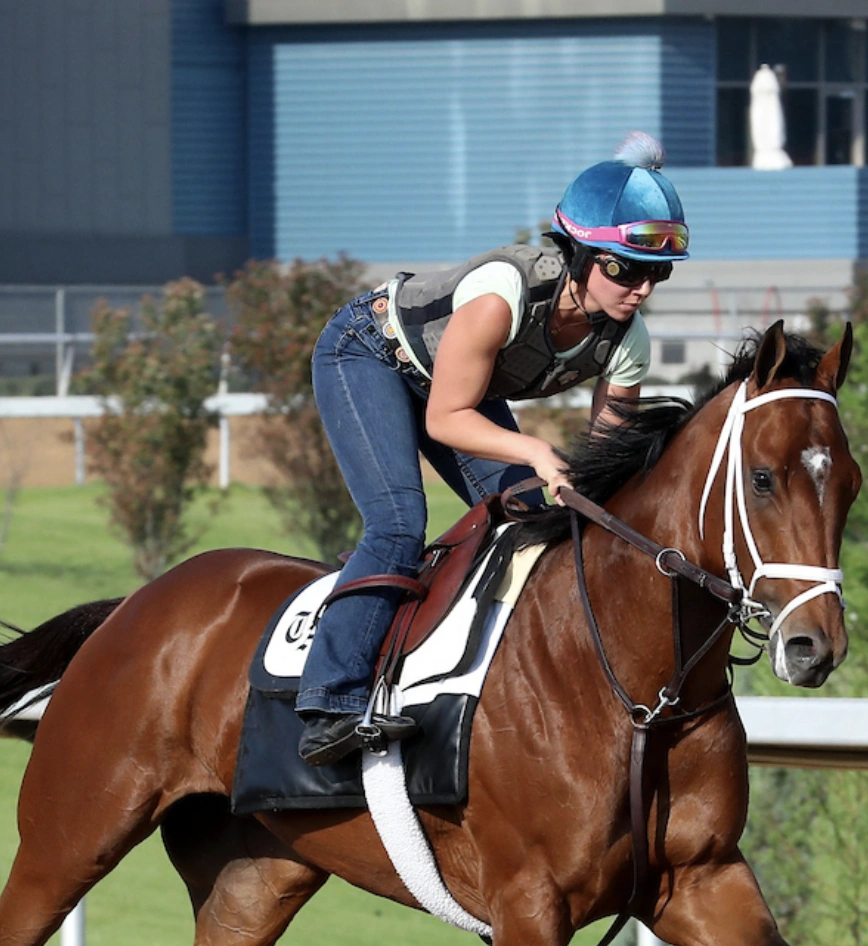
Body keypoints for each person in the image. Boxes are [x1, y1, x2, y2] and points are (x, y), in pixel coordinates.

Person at [293, 133, 689, 767]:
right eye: (624, 268)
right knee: (399, 521)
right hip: (368, 353)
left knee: (543, 518)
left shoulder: (628, 340)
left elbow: (608, 461)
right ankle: (328, 703)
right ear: (581, 255)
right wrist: (534, 448)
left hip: (455, 391)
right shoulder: (501, 291)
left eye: (656, 272)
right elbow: (447, 418)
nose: (640, 289)